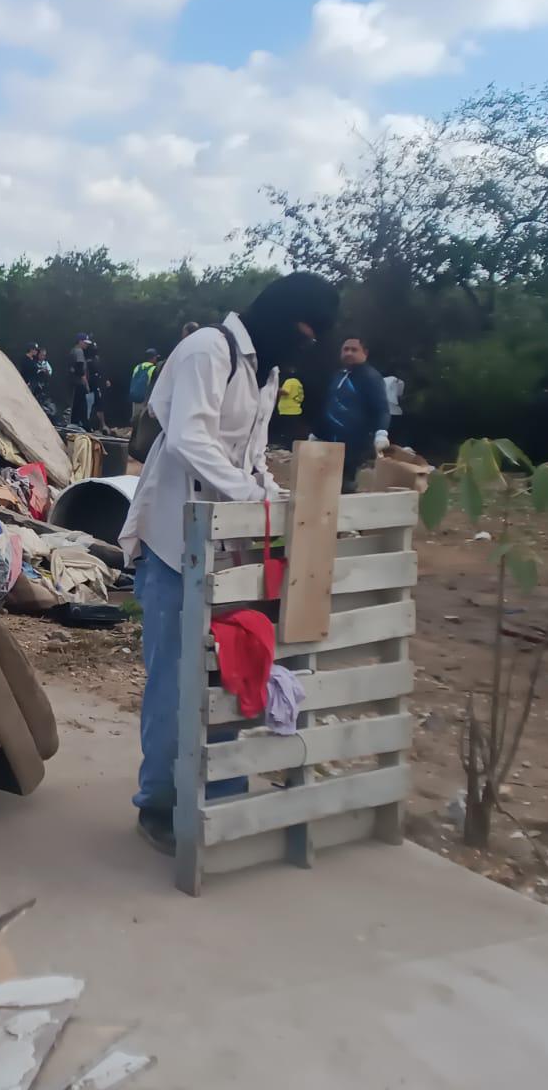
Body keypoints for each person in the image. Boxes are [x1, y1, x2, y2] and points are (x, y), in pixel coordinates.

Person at [119, 272, 339, 853]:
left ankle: (222, 793)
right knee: (173, 681)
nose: (305, 344)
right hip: (173, 545)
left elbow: (251, 455)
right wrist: (248, 496)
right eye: (303, 331)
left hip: (228, 547)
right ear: (277, 313)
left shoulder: (265, 373)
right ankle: (159, 807)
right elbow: (191, 438)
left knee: (233, 672)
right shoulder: (207, 351)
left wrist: (274, 499)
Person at [317, 337, 390, 491]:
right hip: (331, 443)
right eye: (346, 349)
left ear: (365, 353)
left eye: (354, 349)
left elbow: (382, 408)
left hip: (355, 447)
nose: (349, 353)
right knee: (324, 487)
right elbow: (329, 406)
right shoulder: (338, 375)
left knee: (345, 489)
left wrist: (381, 433)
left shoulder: (370, 377)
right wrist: (317, 433)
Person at [275, 368, 305, 447]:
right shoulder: (298, 383)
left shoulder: (289, 381)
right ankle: (292, 448)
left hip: (287, 410)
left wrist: (274, 389)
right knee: (292, 432)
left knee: (286, 432)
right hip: (296, 409)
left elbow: (285, 391)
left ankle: (286, 448)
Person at [129, 349, 160, 423]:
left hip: (135, 398)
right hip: (145, 399)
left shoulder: (137, 367)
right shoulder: (153, 369)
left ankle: (134, 433)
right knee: (143, 421)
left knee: (135, 420)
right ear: (153, 358)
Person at [67, 334, 92, 427]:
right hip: (79, 382)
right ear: (80, 341)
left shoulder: (73, 350)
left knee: (77, 404)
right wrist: (85, 381)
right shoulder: (78, 351)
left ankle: (76, 423)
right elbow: (79, 367)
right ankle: (82, 424)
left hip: (75, 382)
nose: (86, 345)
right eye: (85, 343)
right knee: (81, 405)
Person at [85, 339, 110, 429]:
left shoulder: (96, 360)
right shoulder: (88, 361)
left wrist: (105, 380)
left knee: (98, 404)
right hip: (90, 385)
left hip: (96, 385)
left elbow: (101, 372)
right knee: (90, 405)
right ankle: (88, 425)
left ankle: (102, 425)